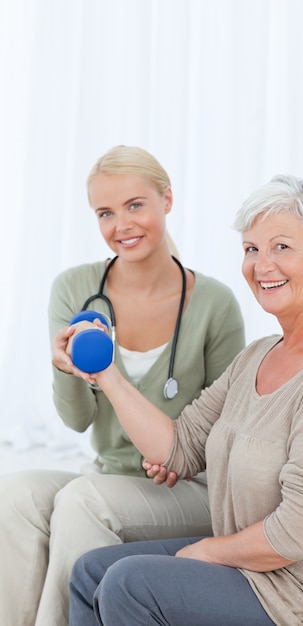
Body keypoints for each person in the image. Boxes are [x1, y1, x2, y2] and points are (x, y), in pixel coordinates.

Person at [69, 174, 303, 626]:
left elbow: (295, 533)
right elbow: (178, 447)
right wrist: (105, 374)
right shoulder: (258, 356)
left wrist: (205, 551)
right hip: (252, 571)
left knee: (130, 584)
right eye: (251, 249)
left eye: (282, 247)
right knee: (91, 572)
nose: (262, 265)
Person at [0, 145, 245, 626]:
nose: (122, 225)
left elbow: (231, 427)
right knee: (15, 494)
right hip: (110, 474)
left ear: (166, 200)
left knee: (82, 500)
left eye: (135, 205)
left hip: (190, 487)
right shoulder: (75, 289)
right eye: (105, 213)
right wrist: (65, 368)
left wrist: (182, 459)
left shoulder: (214, 302)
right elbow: (77, 420)